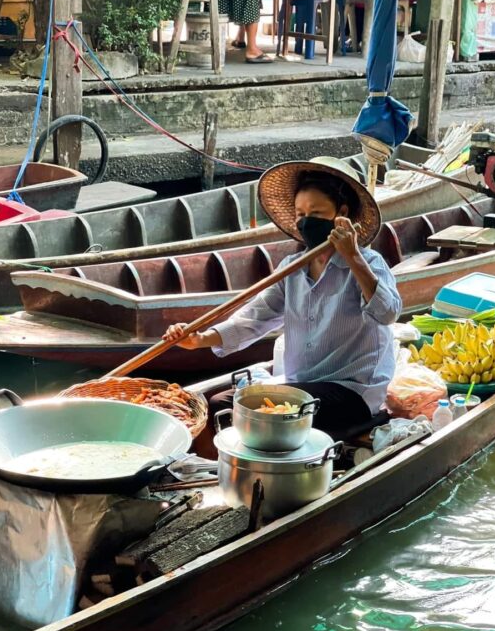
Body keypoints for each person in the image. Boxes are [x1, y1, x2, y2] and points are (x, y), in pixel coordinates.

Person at [163, 157, 402, 441]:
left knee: (268, 414)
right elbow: (256, 317)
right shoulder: (293, 267)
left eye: (316, 212)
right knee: (220, 405)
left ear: (342, 214)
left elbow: (388, 313)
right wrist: (200, 339)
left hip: (353, 390)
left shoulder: (368, 263)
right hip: (300, 387)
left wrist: (352, 256)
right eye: (300, 213)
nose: (306, 221)